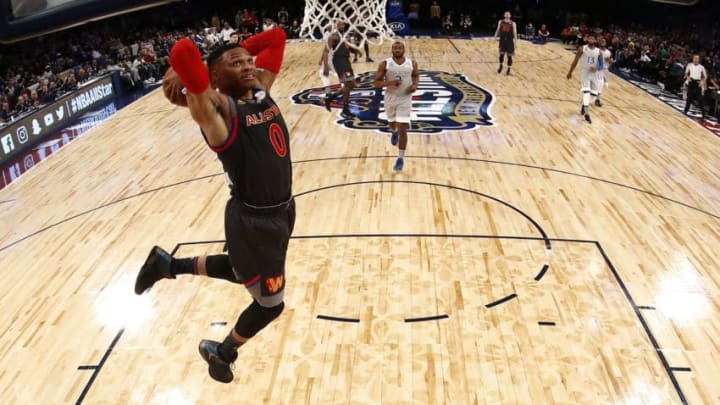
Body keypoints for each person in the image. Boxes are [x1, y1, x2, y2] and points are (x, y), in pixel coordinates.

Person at [135, 27, 295, 384]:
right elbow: (182, 50)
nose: (249, 66)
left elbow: (278, 37)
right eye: (236, 64)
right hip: (255, 223)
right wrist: (203, 75)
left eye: (249, 61)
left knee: (244, 273)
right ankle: (222, 353)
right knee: (271, 305)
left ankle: (167, 264)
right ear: (216, 78)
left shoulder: (260, 92)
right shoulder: (218, 115)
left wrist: (235, 52)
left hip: (282, 211)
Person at [373, 41, 419, 172]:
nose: (397, 50)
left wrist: (415, 85)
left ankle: (400, 158)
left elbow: (415, 75)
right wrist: (390, 82)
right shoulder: (385, 64)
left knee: (403, 128)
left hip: (405, 98)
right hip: (390, 98)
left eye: (400, 48)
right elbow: (375, 82)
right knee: (392, 123)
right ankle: (394, 131)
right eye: (395, 48)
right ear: (392, 50)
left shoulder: (412, 63)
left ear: (404, 49)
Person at [323, 21, 362, 119]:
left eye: (343, 24)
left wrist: (356, 51)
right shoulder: (333, 37)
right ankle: (345, 110)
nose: (342, 25)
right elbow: (325, 51)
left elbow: (347, 47)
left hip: (346, 60)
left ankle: (330, 98)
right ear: (335, 25)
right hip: (339, 61)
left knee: (352, 84)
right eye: (339, 24)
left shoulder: (345, 36)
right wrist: (326, 66)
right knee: (348, 84)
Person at [567, 34, 600, 123]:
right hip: (584, 73)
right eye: (590, 38)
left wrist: (596, 68)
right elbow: (575, 60)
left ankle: (583, 104)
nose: (591, 39)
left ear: (595, 41)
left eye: (593, 38)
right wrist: (570, 72)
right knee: (586, 91)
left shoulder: (598, 51)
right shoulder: (582, 48)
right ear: (587, 39)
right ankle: (586, 113)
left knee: (594, 94)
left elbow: (601, 64)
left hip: (594, 74)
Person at [684, 54, 707, 120]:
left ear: (699, 60)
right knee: (689, 98)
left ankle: (703, 115)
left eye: (697, 58)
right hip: (691, 82)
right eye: (695, 58)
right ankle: (685, 111)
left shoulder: (701, 67)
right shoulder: (689, 65)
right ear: (693, 59)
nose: (696, 60)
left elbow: (705, 76)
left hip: (698, 83)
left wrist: (702, 82)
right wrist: (688, 77)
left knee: (700, 99)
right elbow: (686, 73)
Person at [494, 11, 517, 76]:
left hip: (509, 41)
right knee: (501, 55)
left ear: (510, 16)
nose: (507, 15)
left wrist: (515, 42)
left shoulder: (513, 23)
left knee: (509, 56)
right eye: (506, 14)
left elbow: (515, 33)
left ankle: (509, 69)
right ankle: (500, 65)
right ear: (504, 15)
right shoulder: (500, 21)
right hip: (502, 41)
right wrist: (495, 36)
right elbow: (498, 29)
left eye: (508, 14)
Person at [595, 37, 613, 107]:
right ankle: (597, 100)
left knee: (605, 85)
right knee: (598, 84)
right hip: (598, 70)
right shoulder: (596, 51)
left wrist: (610, 62)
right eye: (601, 41)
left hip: (605, 70)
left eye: (604, 41)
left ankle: (595, 98)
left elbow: (611, 61)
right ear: (599, 43)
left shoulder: (609, 52)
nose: (603, 42)